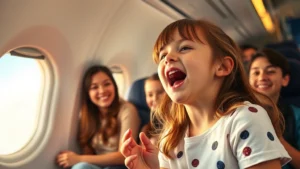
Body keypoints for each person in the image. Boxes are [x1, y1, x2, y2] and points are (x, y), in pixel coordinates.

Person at [120, 19, 291, 169]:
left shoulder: (246, 119)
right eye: (162, 55)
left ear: (222, 67)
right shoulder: (171, 138)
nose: (168, 58)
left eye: (184, 48)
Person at [56, 65, 140, 169]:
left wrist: (78, 159)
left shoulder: (127, 110)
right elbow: (88, 150)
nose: (102, 91)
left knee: (81, 167)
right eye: (94, 87)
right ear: (88, 93)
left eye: (107, 84)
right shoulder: (89, 114)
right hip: (99, 166)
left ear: (114, 85)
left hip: (121, 166)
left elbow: (124, 155)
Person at [249, 48, 300, 169]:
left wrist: (278, 139)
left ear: (285, 80)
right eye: (256, 73)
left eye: (270, 71)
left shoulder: (296, 116)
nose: (262, 77)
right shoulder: (236, 113)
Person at [140, 73, 165, 145]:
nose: (155, 98)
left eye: (160, 92)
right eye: (150, 95)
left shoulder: (179, 123)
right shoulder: (147, 129)